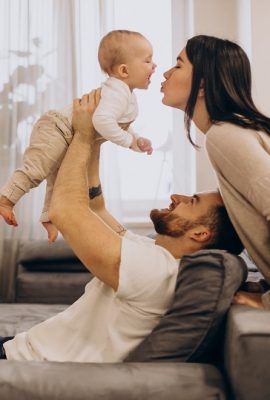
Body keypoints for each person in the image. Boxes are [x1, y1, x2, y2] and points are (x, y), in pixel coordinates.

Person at [1, 91, 243, 362]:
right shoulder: (154, 253)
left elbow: (65, 210)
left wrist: (81, 135)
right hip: (20, 348)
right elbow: (96, 208)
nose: (178, 197)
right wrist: (94, 140)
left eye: (192, 201)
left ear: (200, 233)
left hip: (23, 364)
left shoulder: (156, 272)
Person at [0, 29, 155, 243]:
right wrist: (129, 142)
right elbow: (102, 121)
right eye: (148, 61)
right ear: (124, 70)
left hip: (69, 135)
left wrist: (136, 139)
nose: (154, 66)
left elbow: (115, 124)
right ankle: (6, 199)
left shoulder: (126, 95)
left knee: (58, 179)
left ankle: (49, 216)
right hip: (57, 127)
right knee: (37, 169)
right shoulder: (117, 92)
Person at [160, 34, 270, 310]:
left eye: (178, 64)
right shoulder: (238, 131)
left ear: (203, 85)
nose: (165, 72)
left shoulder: (225, 136)